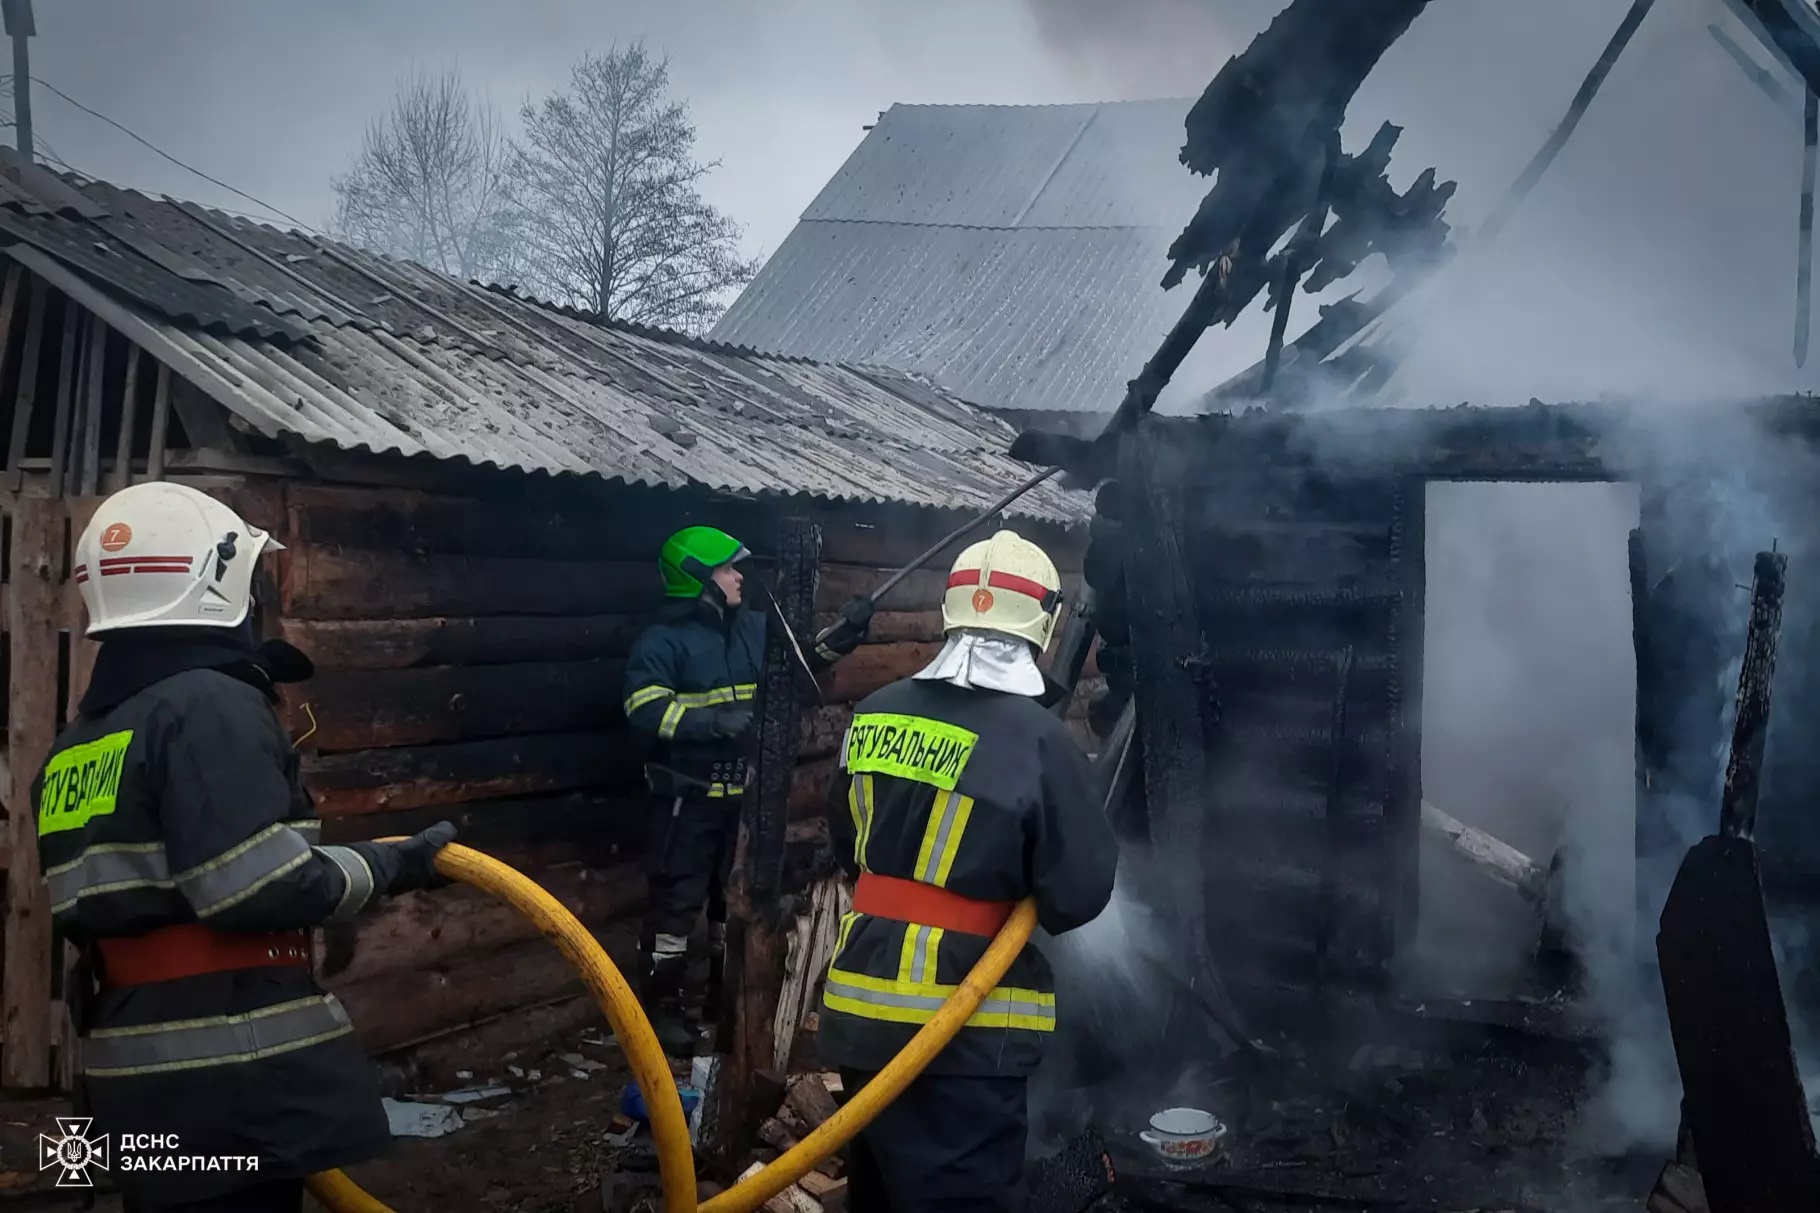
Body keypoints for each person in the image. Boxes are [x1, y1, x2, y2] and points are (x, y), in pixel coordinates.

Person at [33, 482, 458, 1213]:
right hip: (232, 1076)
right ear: (217, 577)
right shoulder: (209, 704)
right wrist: (396, 863)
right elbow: (253, 885)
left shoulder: (79, 742)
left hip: (137, 1072)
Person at [818, 529, 1119, 1213]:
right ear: (1042, 623)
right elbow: (1077, 892)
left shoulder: (873, 713)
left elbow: (850, 846)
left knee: (882, 1193)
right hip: (958, 1022)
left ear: (954, 613)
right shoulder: (1038, 738)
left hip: (861, 1008)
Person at [621, 525, 873, 1054]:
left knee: (727, 904)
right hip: (685, 803)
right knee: (676, 907)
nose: (739, 577)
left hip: (744, 803)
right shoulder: (661, 642)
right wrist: (712, 721)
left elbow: (799, 662)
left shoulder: (756, 628)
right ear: (697, 578)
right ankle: (662, 1015)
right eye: (728, 569)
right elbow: (643, 709)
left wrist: (844, 636)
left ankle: (721, 1000)